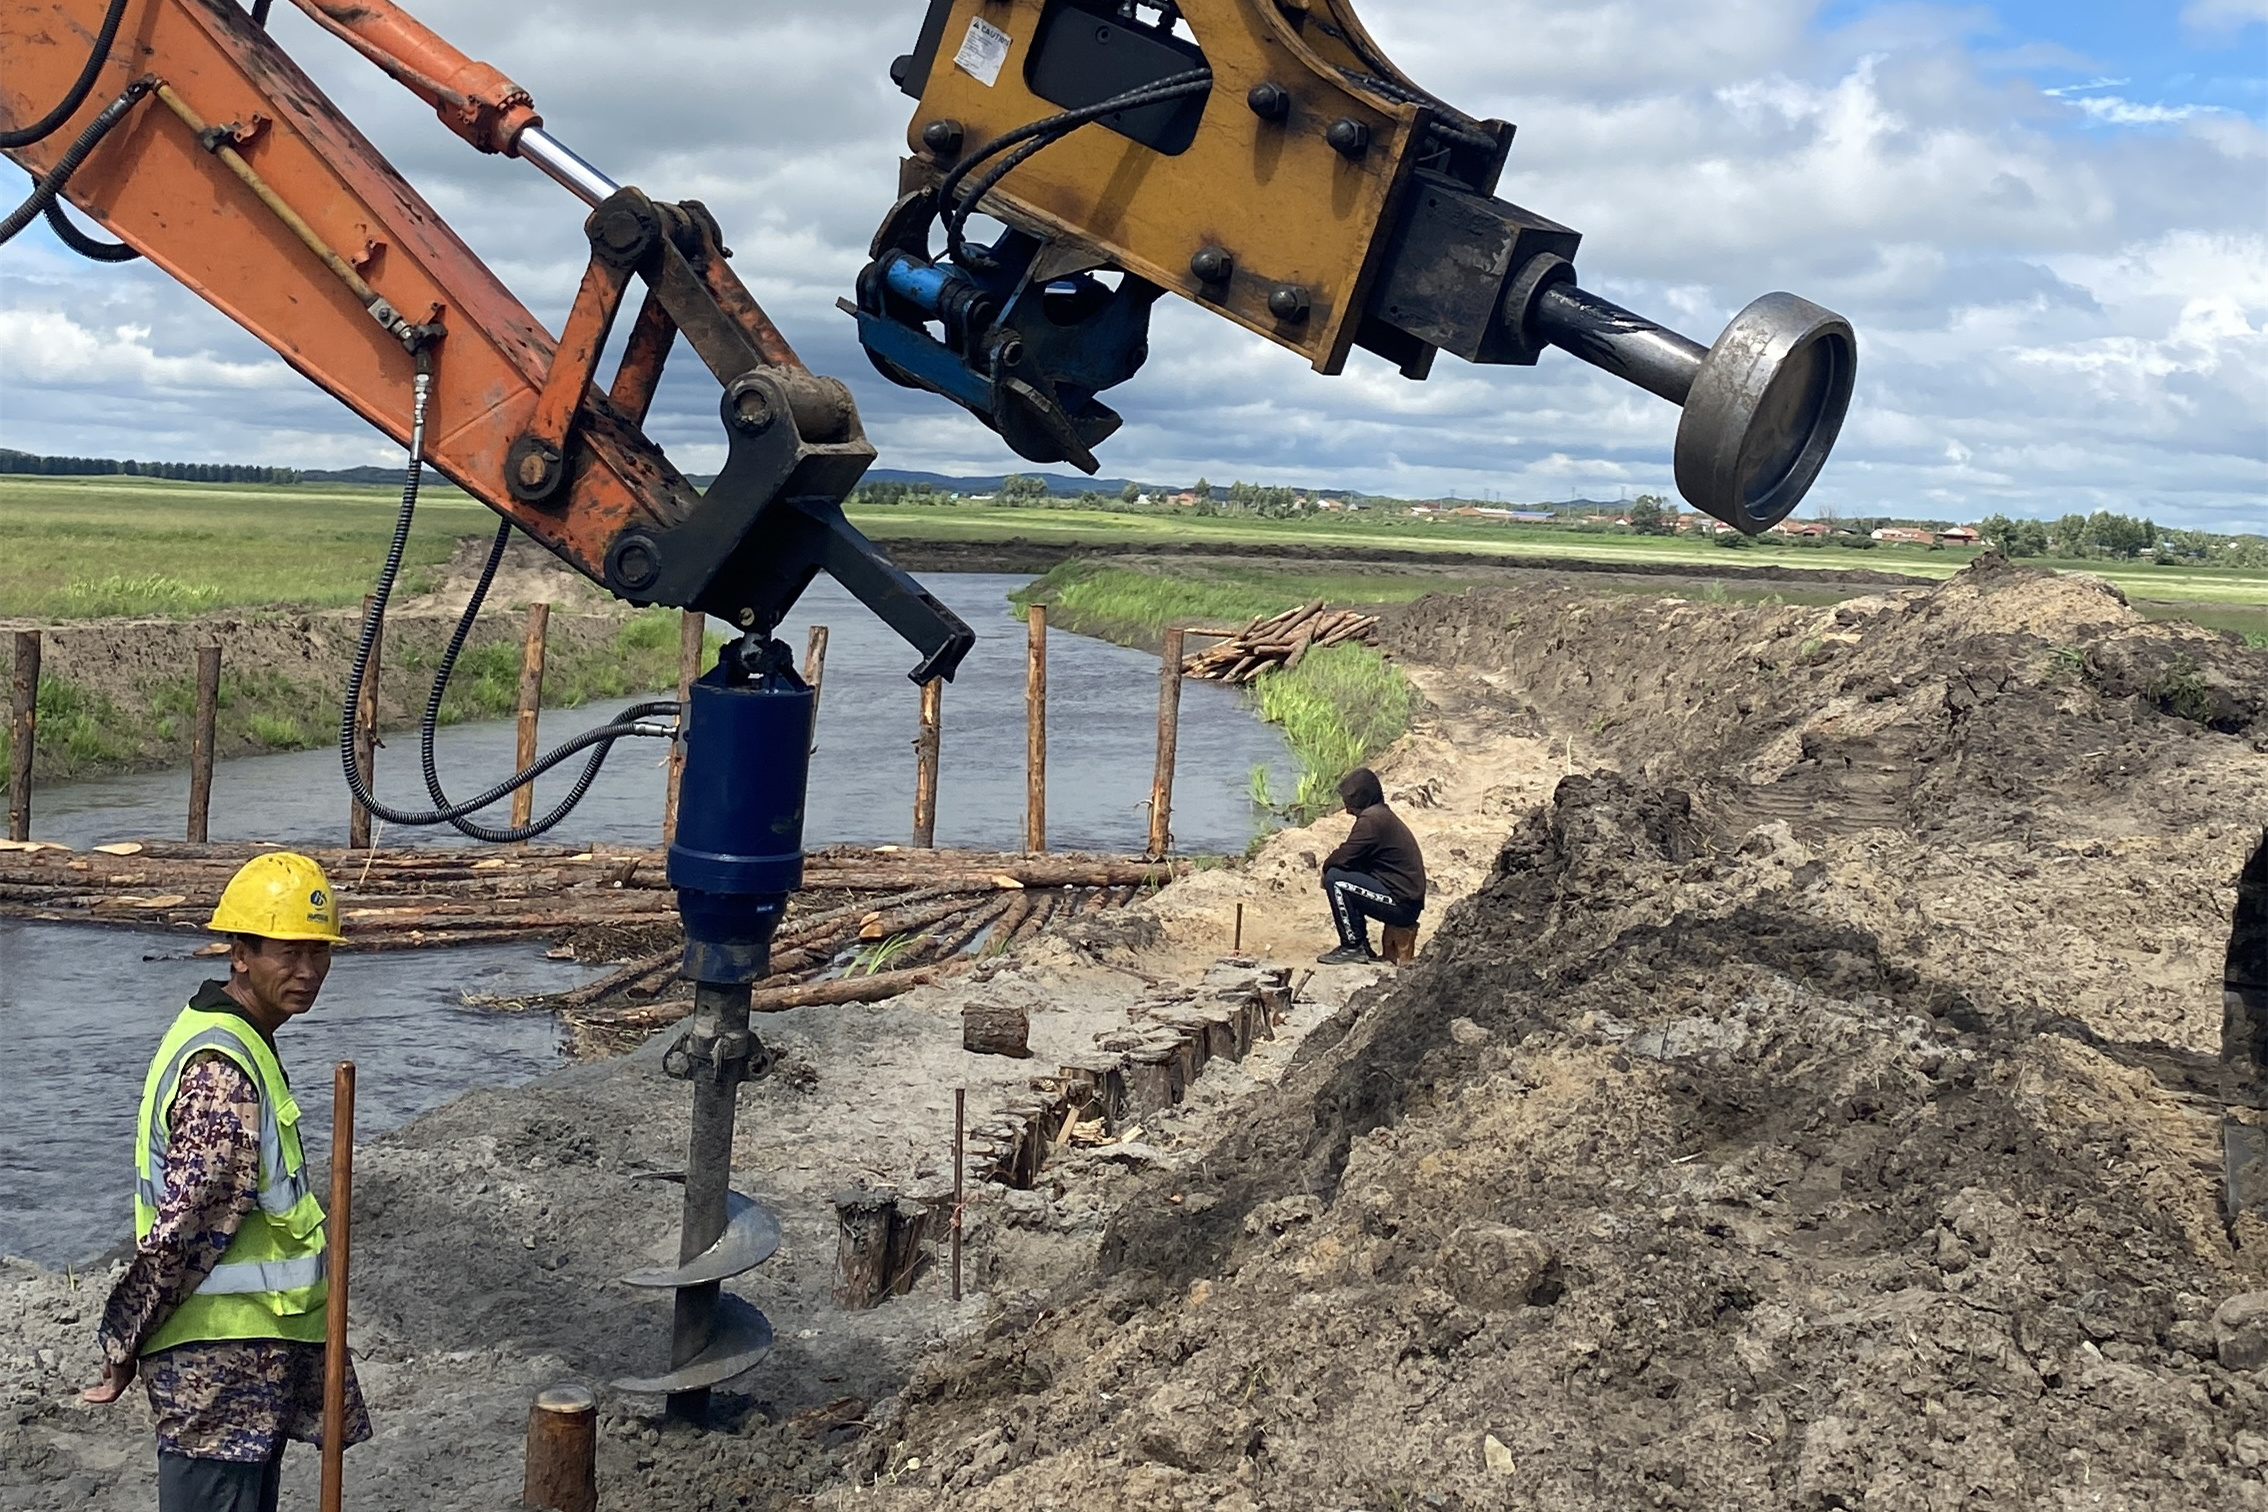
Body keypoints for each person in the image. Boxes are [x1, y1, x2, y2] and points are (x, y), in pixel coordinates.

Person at [83, 851, 369, 1511]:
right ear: (240, 953)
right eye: (288, 953)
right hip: (218, 1371)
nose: (307, 972)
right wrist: (125, 1335)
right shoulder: (223, 1068)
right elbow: (188, 1227)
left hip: (246, 1361)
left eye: (319, 952)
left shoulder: (237, 1039)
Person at [1316, 766, 1426, 965]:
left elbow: (1344, 855)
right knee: (1345, 875)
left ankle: (1353, 945)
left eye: (1351, 804)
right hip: (1405, 898)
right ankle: (1361, 944)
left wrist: (1325, 870)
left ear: (1362, 799)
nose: (1348, 810)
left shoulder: (1372, 821)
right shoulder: (1380, 815)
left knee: (1336, 879)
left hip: (1402, 904)